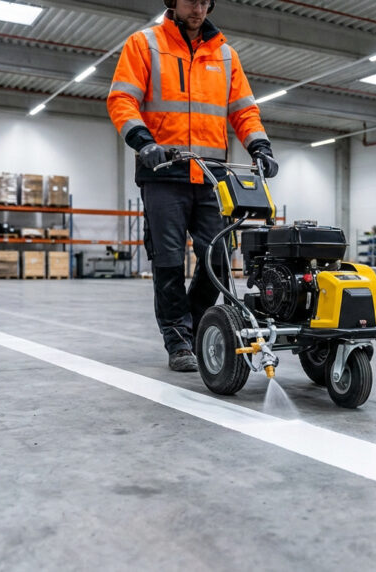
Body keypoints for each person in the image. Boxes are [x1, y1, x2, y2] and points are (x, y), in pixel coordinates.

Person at [108, 0, 279, 372]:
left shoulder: (226, 55)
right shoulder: (145, 44)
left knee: (217, 256)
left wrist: (259, 146)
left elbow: (244, 110)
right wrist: (144, 142)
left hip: (211, 176)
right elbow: (122, 99)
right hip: (163, 173)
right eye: (191, 0)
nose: (198, 8)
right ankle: (177, 339)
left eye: (205, 1)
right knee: (168, 261)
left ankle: (198, 324)